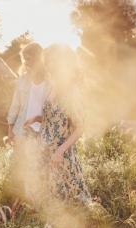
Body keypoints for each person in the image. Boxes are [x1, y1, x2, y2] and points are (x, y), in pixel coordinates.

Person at [25, 44, 92, 205]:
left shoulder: (71, 92)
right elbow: (54, 119)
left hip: (60, 156)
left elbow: (80, 128)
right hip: (44, 150)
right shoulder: (51, 87)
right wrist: (36, 118)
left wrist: (60, 152)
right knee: (43, 199)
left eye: (50, 62)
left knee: (66, 202)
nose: (47, 65)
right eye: (46, 61)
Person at [6, 42, 49, 210]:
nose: (27, 64)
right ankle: (20, 204)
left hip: (42, 132)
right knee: (20, 167)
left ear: (40, 59)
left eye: (30, 60)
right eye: (25, 60)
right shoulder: (22, 81)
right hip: (21, 130)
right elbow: (15, 106)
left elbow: (54, 109)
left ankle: (35, 205)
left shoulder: (49, 82)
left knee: (37, 168)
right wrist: (10, 130)